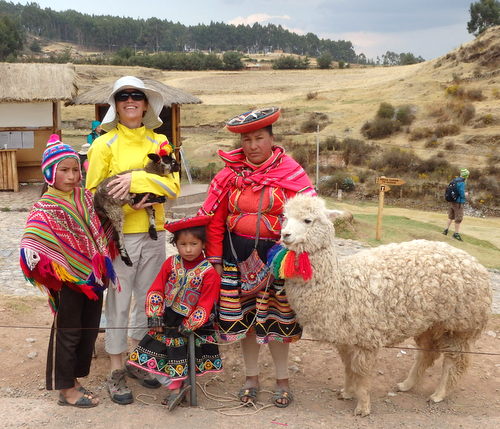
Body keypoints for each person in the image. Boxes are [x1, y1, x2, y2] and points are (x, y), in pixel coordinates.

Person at [198, 107, 316, 408]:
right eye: (247, 140)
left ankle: (282, 380)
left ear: (271, 139)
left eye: (259, 138)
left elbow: (309, 218)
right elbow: (214, 219)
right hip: (235, 256)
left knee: (278, 321)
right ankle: (251, 378)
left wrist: (297, 256)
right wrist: (214, 259)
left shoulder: (290, 172)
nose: (253, 146)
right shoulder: (229, 176)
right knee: (246, 321)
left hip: (277, 258)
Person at [85, 76, 181, 405]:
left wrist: (135, 179)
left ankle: (140, 361)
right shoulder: (103, 145)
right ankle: (115, 368)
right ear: (116, 104)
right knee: (119, 300)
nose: (130, 101)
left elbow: (174, 187)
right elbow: (93, 192)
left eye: (136, 96)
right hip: (119, 235)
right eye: (123, 96)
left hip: (154, 234)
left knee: (148, 298)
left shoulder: (159, 142)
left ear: (145, 104)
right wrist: (127, 198)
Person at [20, 134, 118, 408]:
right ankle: (65, 388)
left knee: (87, 330)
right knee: (69, 331)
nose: (72, 175)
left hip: (93, 276)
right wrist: (50, 266)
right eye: (64, 170)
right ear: (50, 172)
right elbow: (31, 240)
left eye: (75, 169)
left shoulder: (84, 197)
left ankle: (73, 380)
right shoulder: (45, 207)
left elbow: (99, 227)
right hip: (68, 281)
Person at [127, 214, 222, 410]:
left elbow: (206, 304)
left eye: (193, 244)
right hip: (166, 319)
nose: (188, 249)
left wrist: (190, 325)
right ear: (176, 244)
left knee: (181, 355)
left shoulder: (209, 273)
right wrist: (155, 315)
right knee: (145, 355)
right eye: (183, 244)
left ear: (203, 244)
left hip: (191, 324)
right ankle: (173, 386)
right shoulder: (170, 264)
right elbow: (156, 289)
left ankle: (175, 391)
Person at [443, 168, 469, 241]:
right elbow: (461, 194)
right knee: (458, 218)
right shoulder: (461, 183)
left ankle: (446, 230)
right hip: (458, 203)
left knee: (450, 216)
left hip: (452, 201)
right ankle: (456, 234)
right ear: (466, 176)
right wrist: (466, 194)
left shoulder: (455, 180)